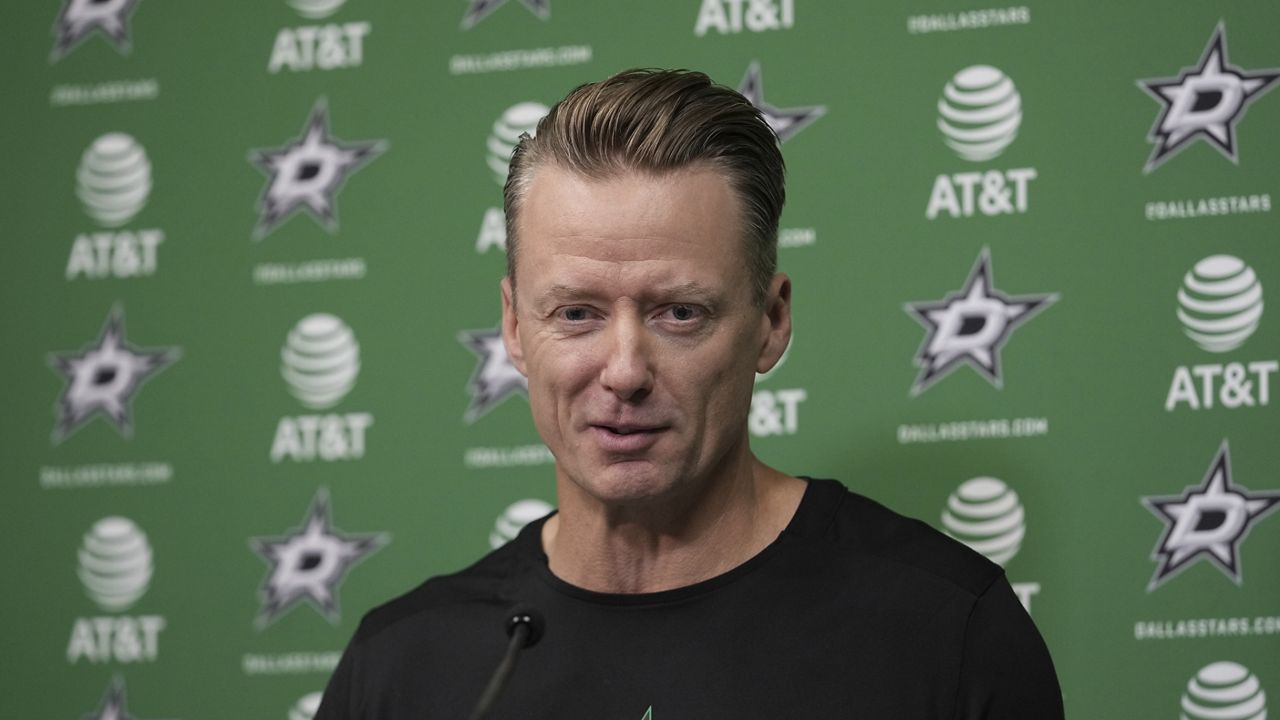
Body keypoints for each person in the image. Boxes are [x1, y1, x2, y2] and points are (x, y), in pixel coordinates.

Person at [315, 68, 1063, 719]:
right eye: (576, 313)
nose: (625, 370)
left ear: (771, 322)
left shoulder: (948, 632)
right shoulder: (402, 667)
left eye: (680, 313)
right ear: (514, 326)